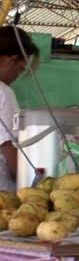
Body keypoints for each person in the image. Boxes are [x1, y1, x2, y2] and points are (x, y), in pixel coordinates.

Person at [0, 26, 39, 191]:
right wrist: (34, 187)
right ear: (11, 60)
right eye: (20, 69)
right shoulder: (3, 92)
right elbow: (8, 148)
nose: (17, 76)